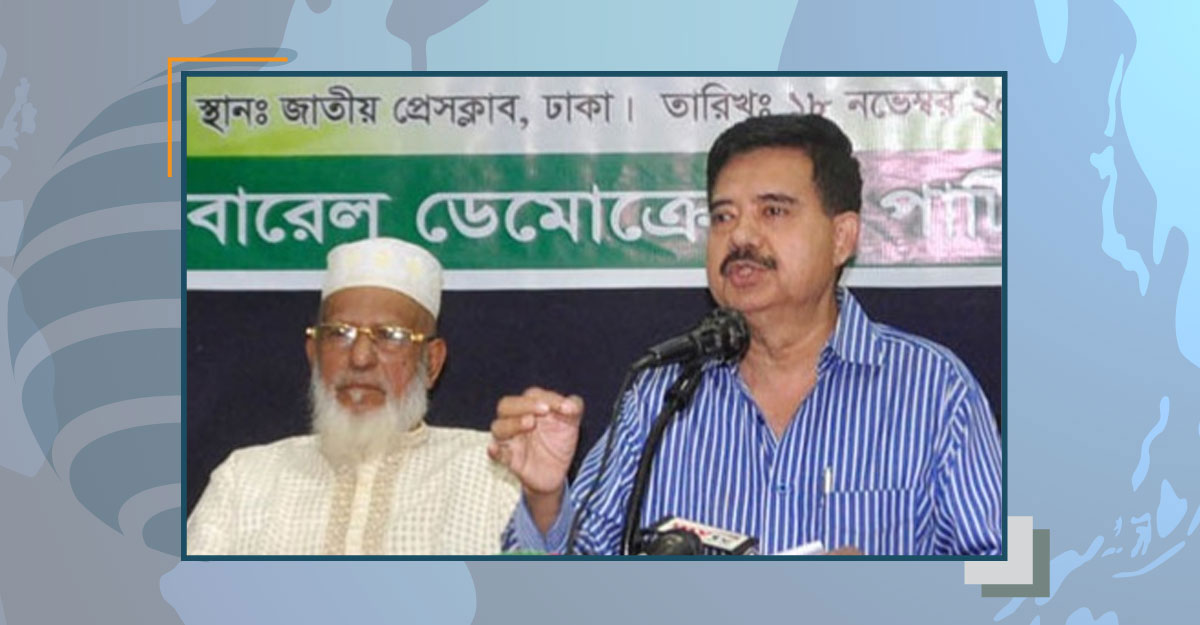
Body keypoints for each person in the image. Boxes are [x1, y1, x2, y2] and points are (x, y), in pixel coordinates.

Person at [490, 114, 1002, 556]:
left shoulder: (935, 390)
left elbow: (1020, 579)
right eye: (723, 216)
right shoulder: (663, 393)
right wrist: (546, 499)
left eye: (773, 211)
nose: (739, 235)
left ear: (842, 237)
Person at [188, 237, 520, 555]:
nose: (360, 358)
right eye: (339, 333)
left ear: (431, 362)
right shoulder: (245, 479)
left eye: (390, 335)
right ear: (314, 354)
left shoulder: (494, 471)